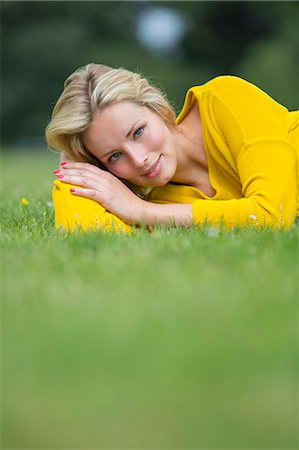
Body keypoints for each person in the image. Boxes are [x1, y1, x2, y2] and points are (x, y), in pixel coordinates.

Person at [46, 63, 298, 233]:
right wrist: (74, 166)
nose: (139, 159)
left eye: (138, 132)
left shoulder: (226, 99)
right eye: (114, 156)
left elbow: (272, 215)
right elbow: (98, 241)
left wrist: (141, 210)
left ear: (157, 107)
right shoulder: (164, 203)